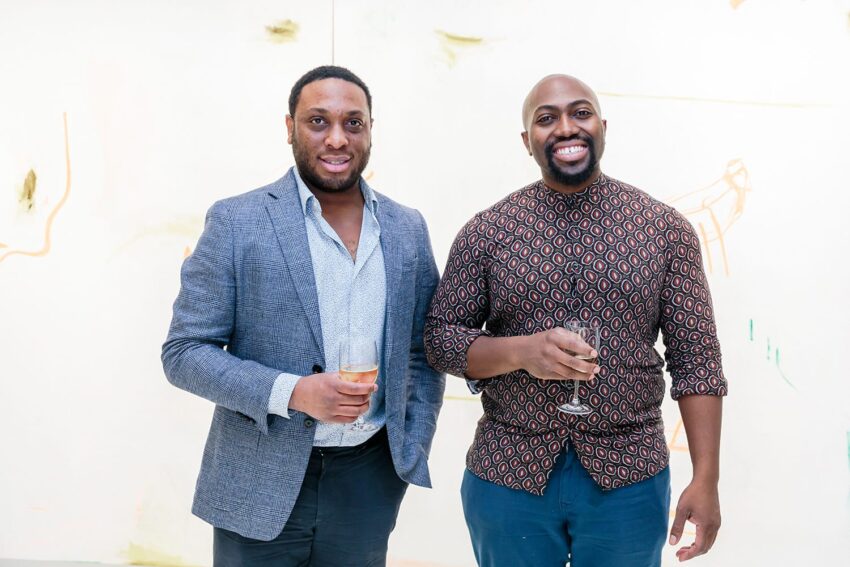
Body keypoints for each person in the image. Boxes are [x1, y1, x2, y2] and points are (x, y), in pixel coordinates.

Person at [424, 74, 727, 567]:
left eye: (580, 113)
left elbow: (698, 361)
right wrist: (523, 351)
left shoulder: (664, 230)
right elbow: (440, 340)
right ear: (528, 141)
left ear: (603, 127)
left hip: (629, 475)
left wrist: (706, 477)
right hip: (508, 473)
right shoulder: (487, 232)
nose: (566, 128)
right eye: (546, 119)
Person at [162, 65, 445, 566]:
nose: (337, 138)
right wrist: (292, 391)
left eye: (353, 123)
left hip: (367, 481)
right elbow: (184, 353)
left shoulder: (406, 228)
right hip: (257, 480)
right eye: (318, 121)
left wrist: (408, 448)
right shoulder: (236, 220)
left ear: (371, 130)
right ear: (290, 127)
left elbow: (423, 350)